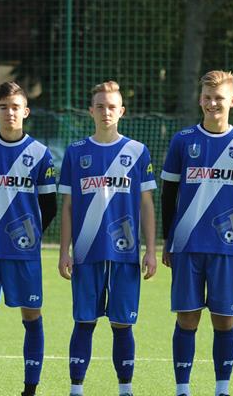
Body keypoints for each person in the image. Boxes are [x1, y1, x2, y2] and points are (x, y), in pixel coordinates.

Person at [161, 70, 233, 396]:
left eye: (219, 98)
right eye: (207, 97)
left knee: (224, 320)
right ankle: (182, 389)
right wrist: (168, 240)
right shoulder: (182, 140)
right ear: (200, 99)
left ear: (232, 101)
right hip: (187, 244)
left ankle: (222, 389)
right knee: (187, 319)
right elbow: (168, 194)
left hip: (228, 248)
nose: (212, 103)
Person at [57, 81, 156, 396]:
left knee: (122, 323)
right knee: (84, 321)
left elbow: (146, 204)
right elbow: (68, 206)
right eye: (100, 106)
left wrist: (151, 250)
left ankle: (125, 389)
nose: (106, 112)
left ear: (122, 111)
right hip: (86, 252)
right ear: (91, 111)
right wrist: (64, 251)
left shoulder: (137, 151)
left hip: (125, 254)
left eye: (112, 106)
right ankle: (76, 389)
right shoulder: (76, 152)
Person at [0, 81, 56, 396]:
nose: (9, 113)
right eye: (3, 107)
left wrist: (29, 238)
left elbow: (49, 206)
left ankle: (30, 389)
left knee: (31, 315)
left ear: (25, 112)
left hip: (24, 254)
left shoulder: (40, 153)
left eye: (15, 107)